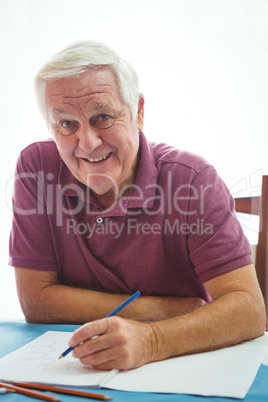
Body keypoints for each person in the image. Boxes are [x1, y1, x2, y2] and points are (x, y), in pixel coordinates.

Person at [9, 41, 265, 371]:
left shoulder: (193, 180)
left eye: (102, 117)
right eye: (67, 124)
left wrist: (152, 339)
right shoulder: (36, 168)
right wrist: (161, 309)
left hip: (181, 362)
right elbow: (36, 301)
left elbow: (249, 311)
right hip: (79, 366)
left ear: (138, 111)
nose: (87, 143)